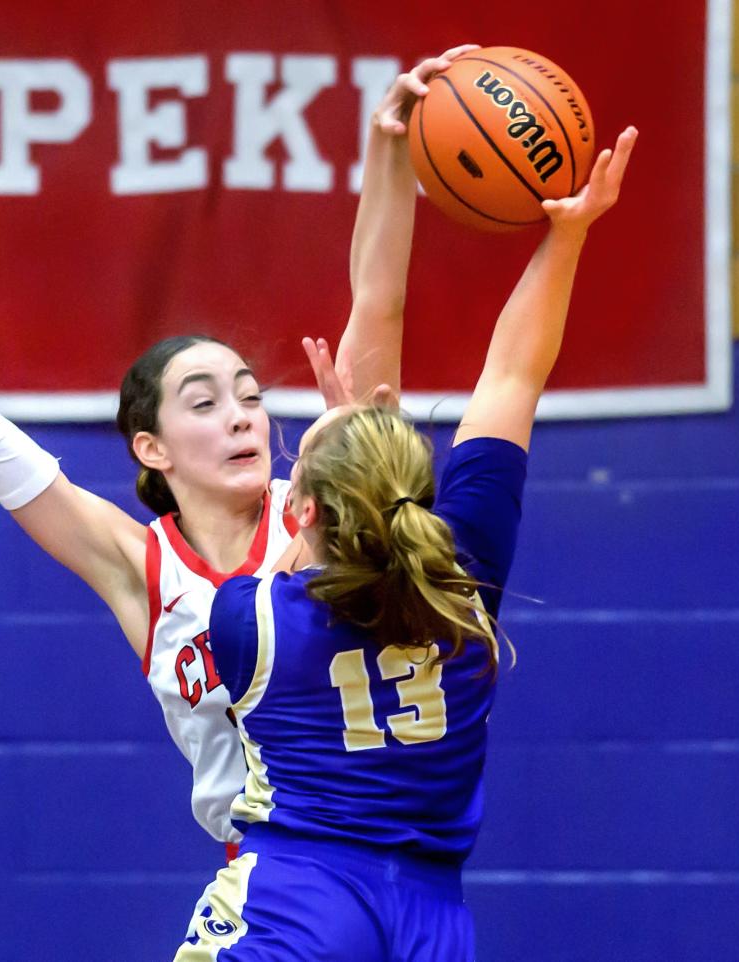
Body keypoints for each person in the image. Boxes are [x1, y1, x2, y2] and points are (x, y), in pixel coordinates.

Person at [0, 46, 473, 850]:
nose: (241, 418)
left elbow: (379, 299)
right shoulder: (137, 565)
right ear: (151, 449)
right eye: (205, 402)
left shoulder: (330, 506)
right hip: (263, 864)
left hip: (387, 846)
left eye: (251, 399)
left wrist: (389, 151)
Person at [176, 126, 638, 961]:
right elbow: (510, 376)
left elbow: (296, 559)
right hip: (429, 918)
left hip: (299, 898)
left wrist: (342, 431)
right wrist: (566, 234)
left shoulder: (250, 620)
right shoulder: (465, 577)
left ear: (302, 510)